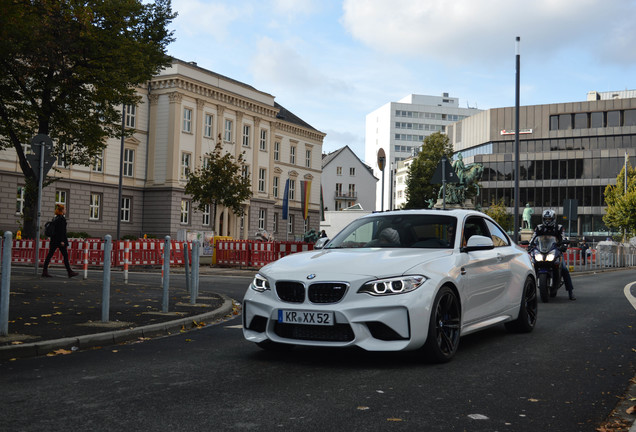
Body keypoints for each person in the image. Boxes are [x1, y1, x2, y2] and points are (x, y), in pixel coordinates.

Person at [529, 209, 575, 300]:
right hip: (541, 251)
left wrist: (564, 245)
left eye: (549, 219)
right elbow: (533, 238)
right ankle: (528, 293)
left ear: (553, 218)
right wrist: (529, 246)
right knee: (530, 269)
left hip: (555, 251)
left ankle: (570, 292)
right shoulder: (539, 228)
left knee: (565, 269)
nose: (547, 221)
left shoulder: (559, 228)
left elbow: (563, 237)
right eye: (546, 219)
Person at [42, 204, 78, 278]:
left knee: (50, 255)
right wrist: (62, 241)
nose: (66, 210)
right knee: (65, 256)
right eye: (65, 209)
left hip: (54, 240)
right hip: (60, 241)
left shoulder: (55, 218)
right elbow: (62, 231)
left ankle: (44, 271)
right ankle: (69, 272)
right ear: (62, 210)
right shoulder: (62, 219)